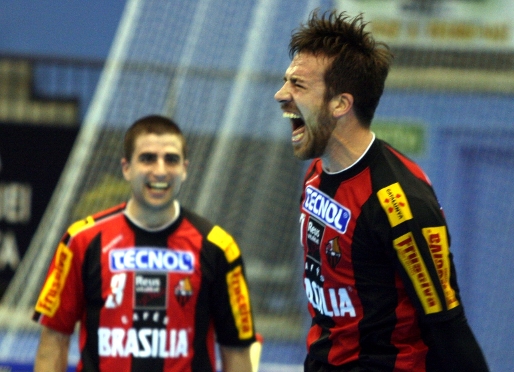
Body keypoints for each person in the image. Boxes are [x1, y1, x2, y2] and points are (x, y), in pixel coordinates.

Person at [274, 10, 489, 372]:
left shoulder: (400, 202)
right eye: (286, 81)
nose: (281, 95)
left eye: (299, 85)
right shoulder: (315, 173)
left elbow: (447, 325)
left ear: (341, 104)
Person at [32, 115, 256, 372]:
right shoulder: (82, 240)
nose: (160, 171)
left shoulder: (219, 248)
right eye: (148, 158)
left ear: (184, 168)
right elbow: (54, 340)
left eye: (171, 159)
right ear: (126, 168)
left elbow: (236, 350)